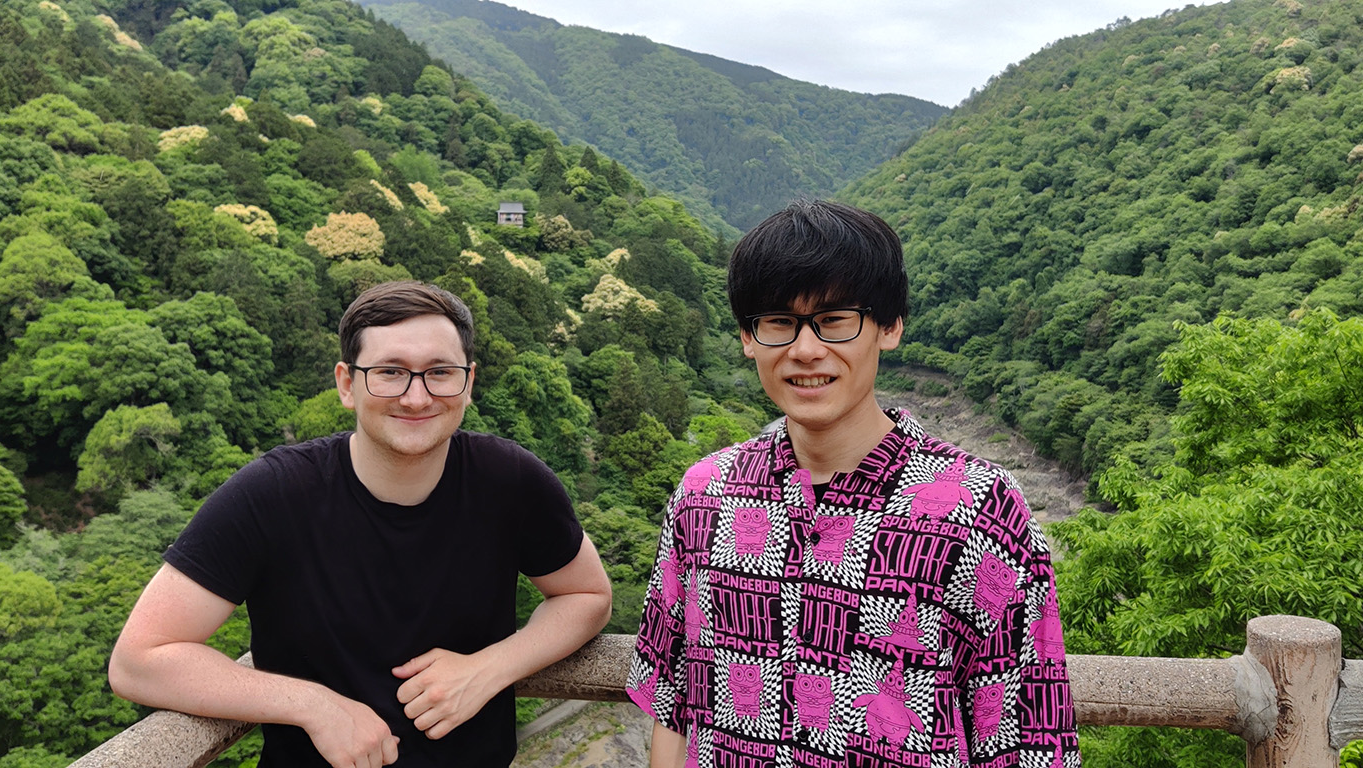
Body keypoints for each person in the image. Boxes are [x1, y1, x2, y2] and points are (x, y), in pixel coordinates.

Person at [627, 200, 1081, 768]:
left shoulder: (981, 510)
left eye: (836, 319)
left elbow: (1026, 739)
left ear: (889, 327)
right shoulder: (704, 495)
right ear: (749, 337)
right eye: (779, 322)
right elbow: (672, 701)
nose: (806, 349)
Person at [110, 281, 612, 768]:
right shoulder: (272, 495)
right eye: (390, 372)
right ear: (347, 384)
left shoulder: (511, 481)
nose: (417, 398)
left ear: (469, 382)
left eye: (440, 372)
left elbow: (586, 595)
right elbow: (139, 660)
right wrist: (312, 704)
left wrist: (490, 668)